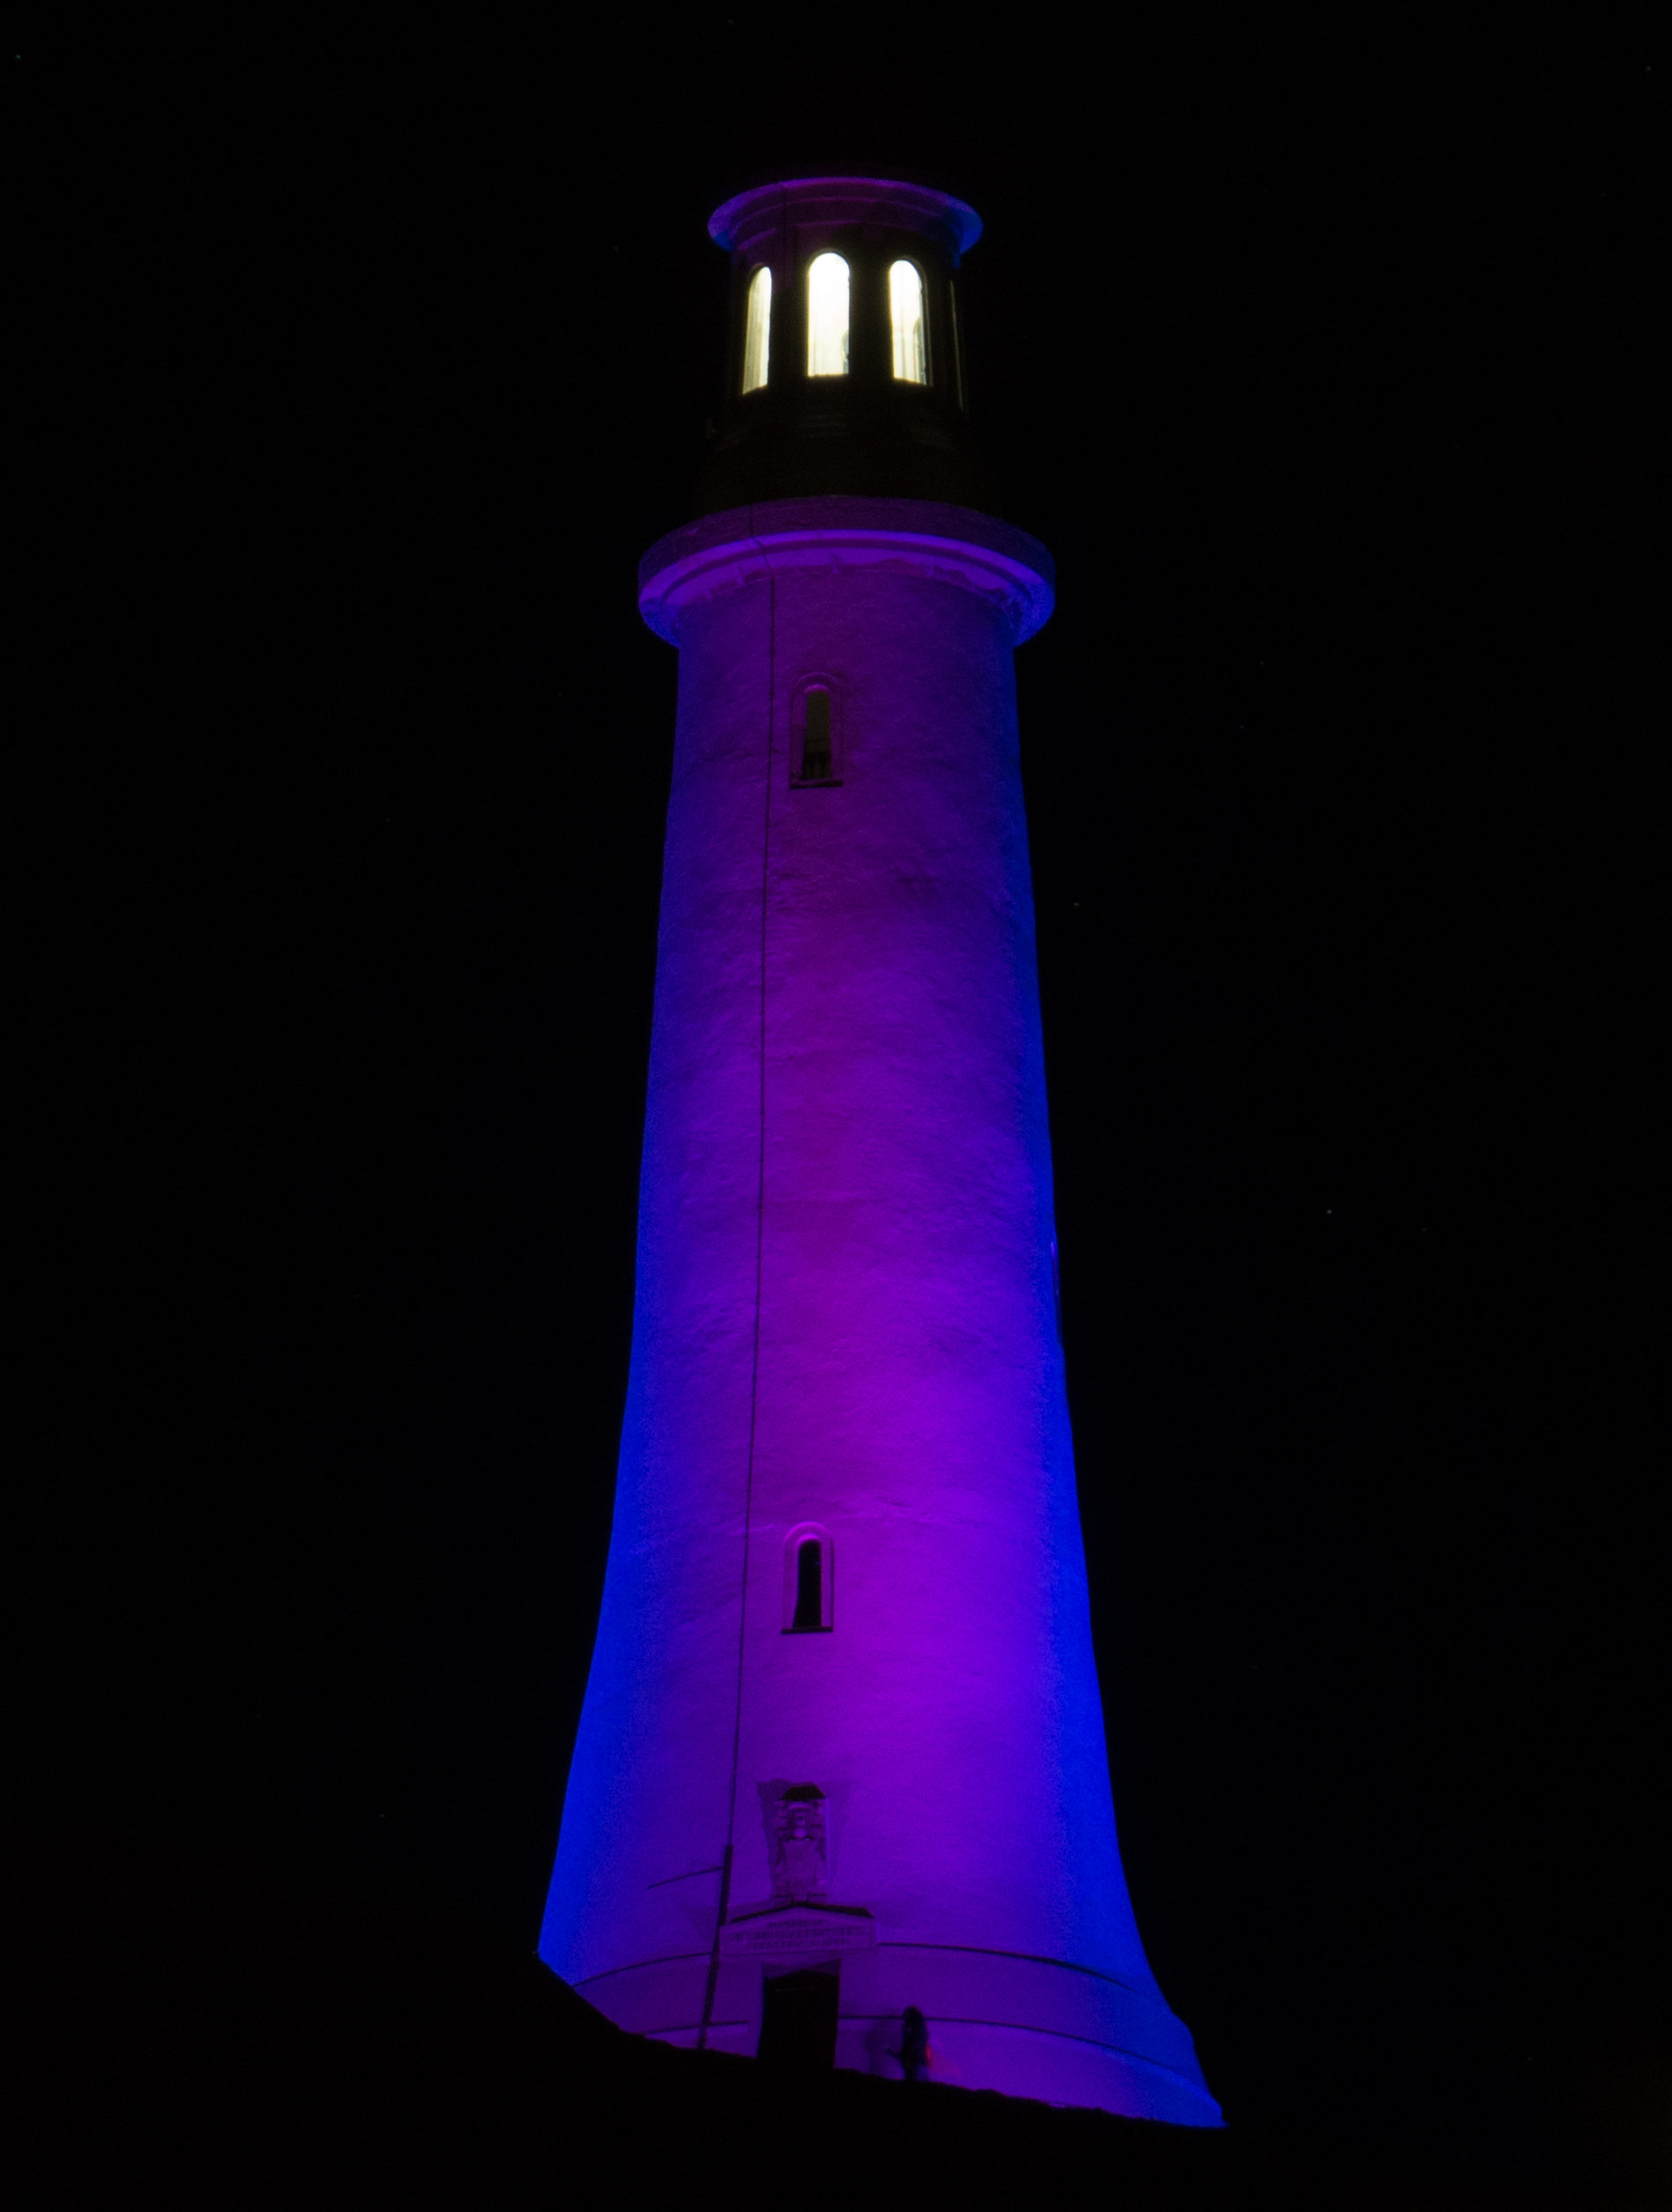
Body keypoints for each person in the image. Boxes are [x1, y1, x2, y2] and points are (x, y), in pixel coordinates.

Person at [889, 2006, 930, 2083]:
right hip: (920, 2063)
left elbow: (910, 2044)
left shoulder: (911, 2027)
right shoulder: (922, 2028)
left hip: (914, 2064)